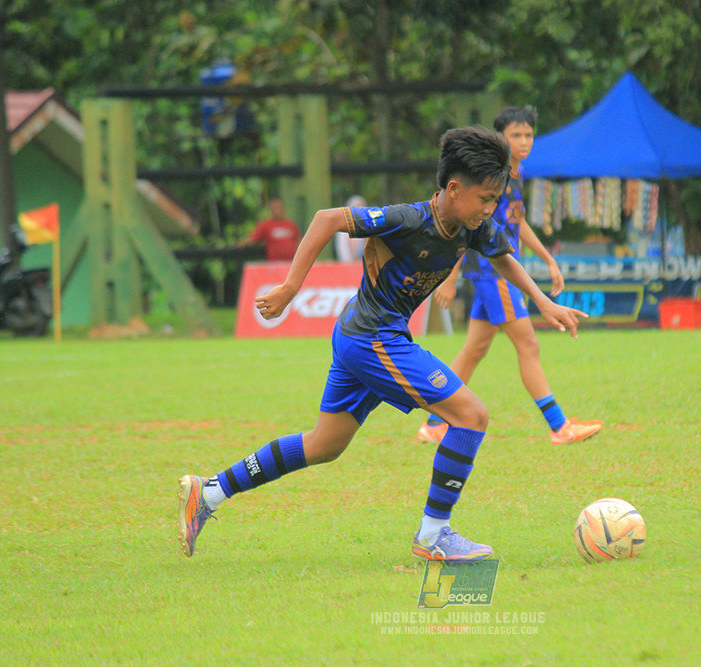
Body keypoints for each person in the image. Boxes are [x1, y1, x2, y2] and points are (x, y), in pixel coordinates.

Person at [178, 126, 588, 561]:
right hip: (373, 337)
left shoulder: (471, 225)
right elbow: (326, 219)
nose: (491, 208)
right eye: (486, 198)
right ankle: (433, 536)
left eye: (495, 199)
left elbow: (501, 254)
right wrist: (290, 287)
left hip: (364, 334)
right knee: (471, 415)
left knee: (324, 445)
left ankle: (209, 492)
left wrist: (542, 301)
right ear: (453, 188)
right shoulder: (409, 219)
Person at [417, 107, 603, 446]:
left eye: (529, 134)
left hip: (498, 272)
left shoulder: (518, 176)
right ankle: (559, 426)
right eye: (516, 135)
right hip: (492, 272)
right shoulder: (491, 178)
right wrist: (449, 276)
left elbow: (518, 224)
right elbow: (468, 224)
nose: (524, 141)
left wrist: (548, 258)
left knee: (474, 350)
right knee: (528, 344)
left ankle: (433, 424)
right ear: (500, 138)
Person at [237, 197, 303, 261]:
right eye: (275, 208)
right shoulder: (266, 225)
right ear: (271, 210)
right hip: (274, 264)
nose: (277, 211)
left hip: (290, 263)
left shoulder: (291, 224)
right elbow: (253, 238)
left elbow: (299, 241)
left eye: (279, 208)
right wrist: (239, 245)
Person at [334, 195, 368, 263]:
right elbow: (342, 248)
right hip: (348, 265)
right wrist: (349, 264)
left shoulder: (368, 226)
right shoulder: (343, 228)